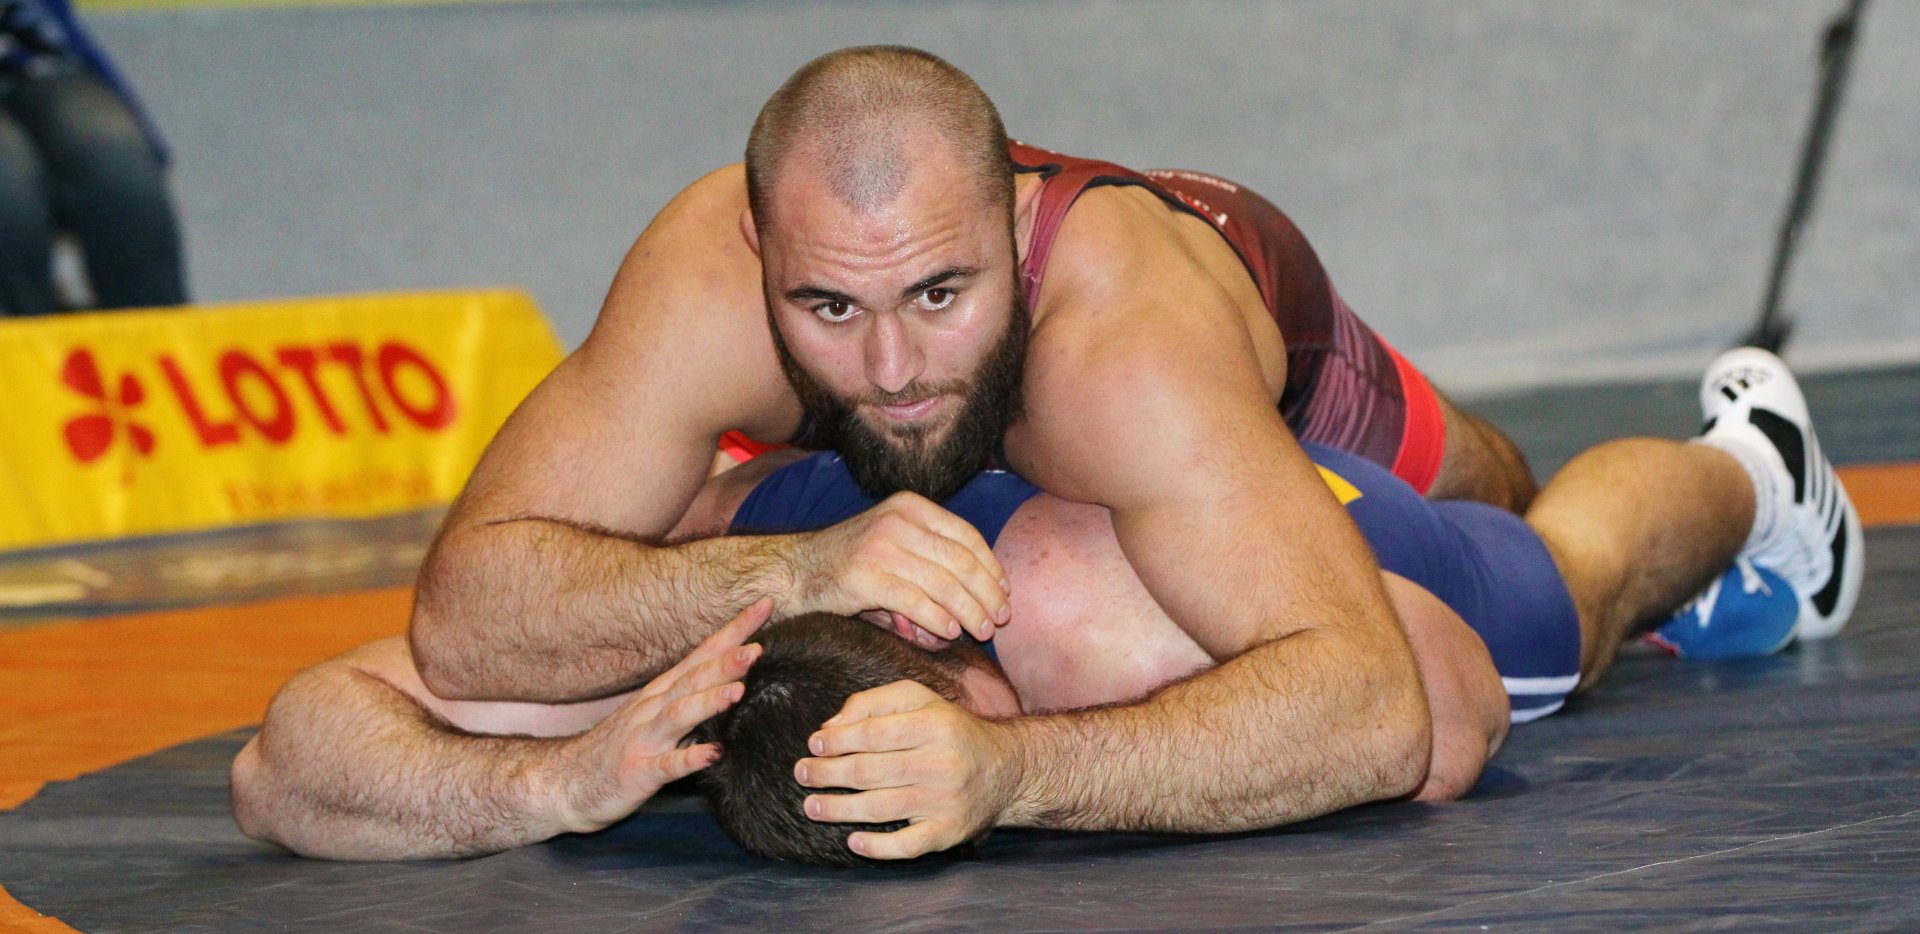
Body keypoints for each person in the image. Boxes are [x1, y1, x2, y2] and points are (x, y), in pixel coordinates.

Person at [232, 346, 1863, 864]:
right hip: (1094, 462)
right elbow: (283, 754)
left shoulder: (1090, 620)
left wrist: (1032, 773)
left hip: (1294, 538)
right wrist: (542, 778)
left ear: (970, 667)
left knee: (1559, 585)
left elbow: (1443, 717)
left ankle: (1753, 466)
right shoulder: (681, 657)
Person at [0, 0, 186, 316]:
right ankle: (24, 348)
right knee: (9, 193)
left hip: (29, 52)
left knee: (120, 171)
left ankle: (155, 351)